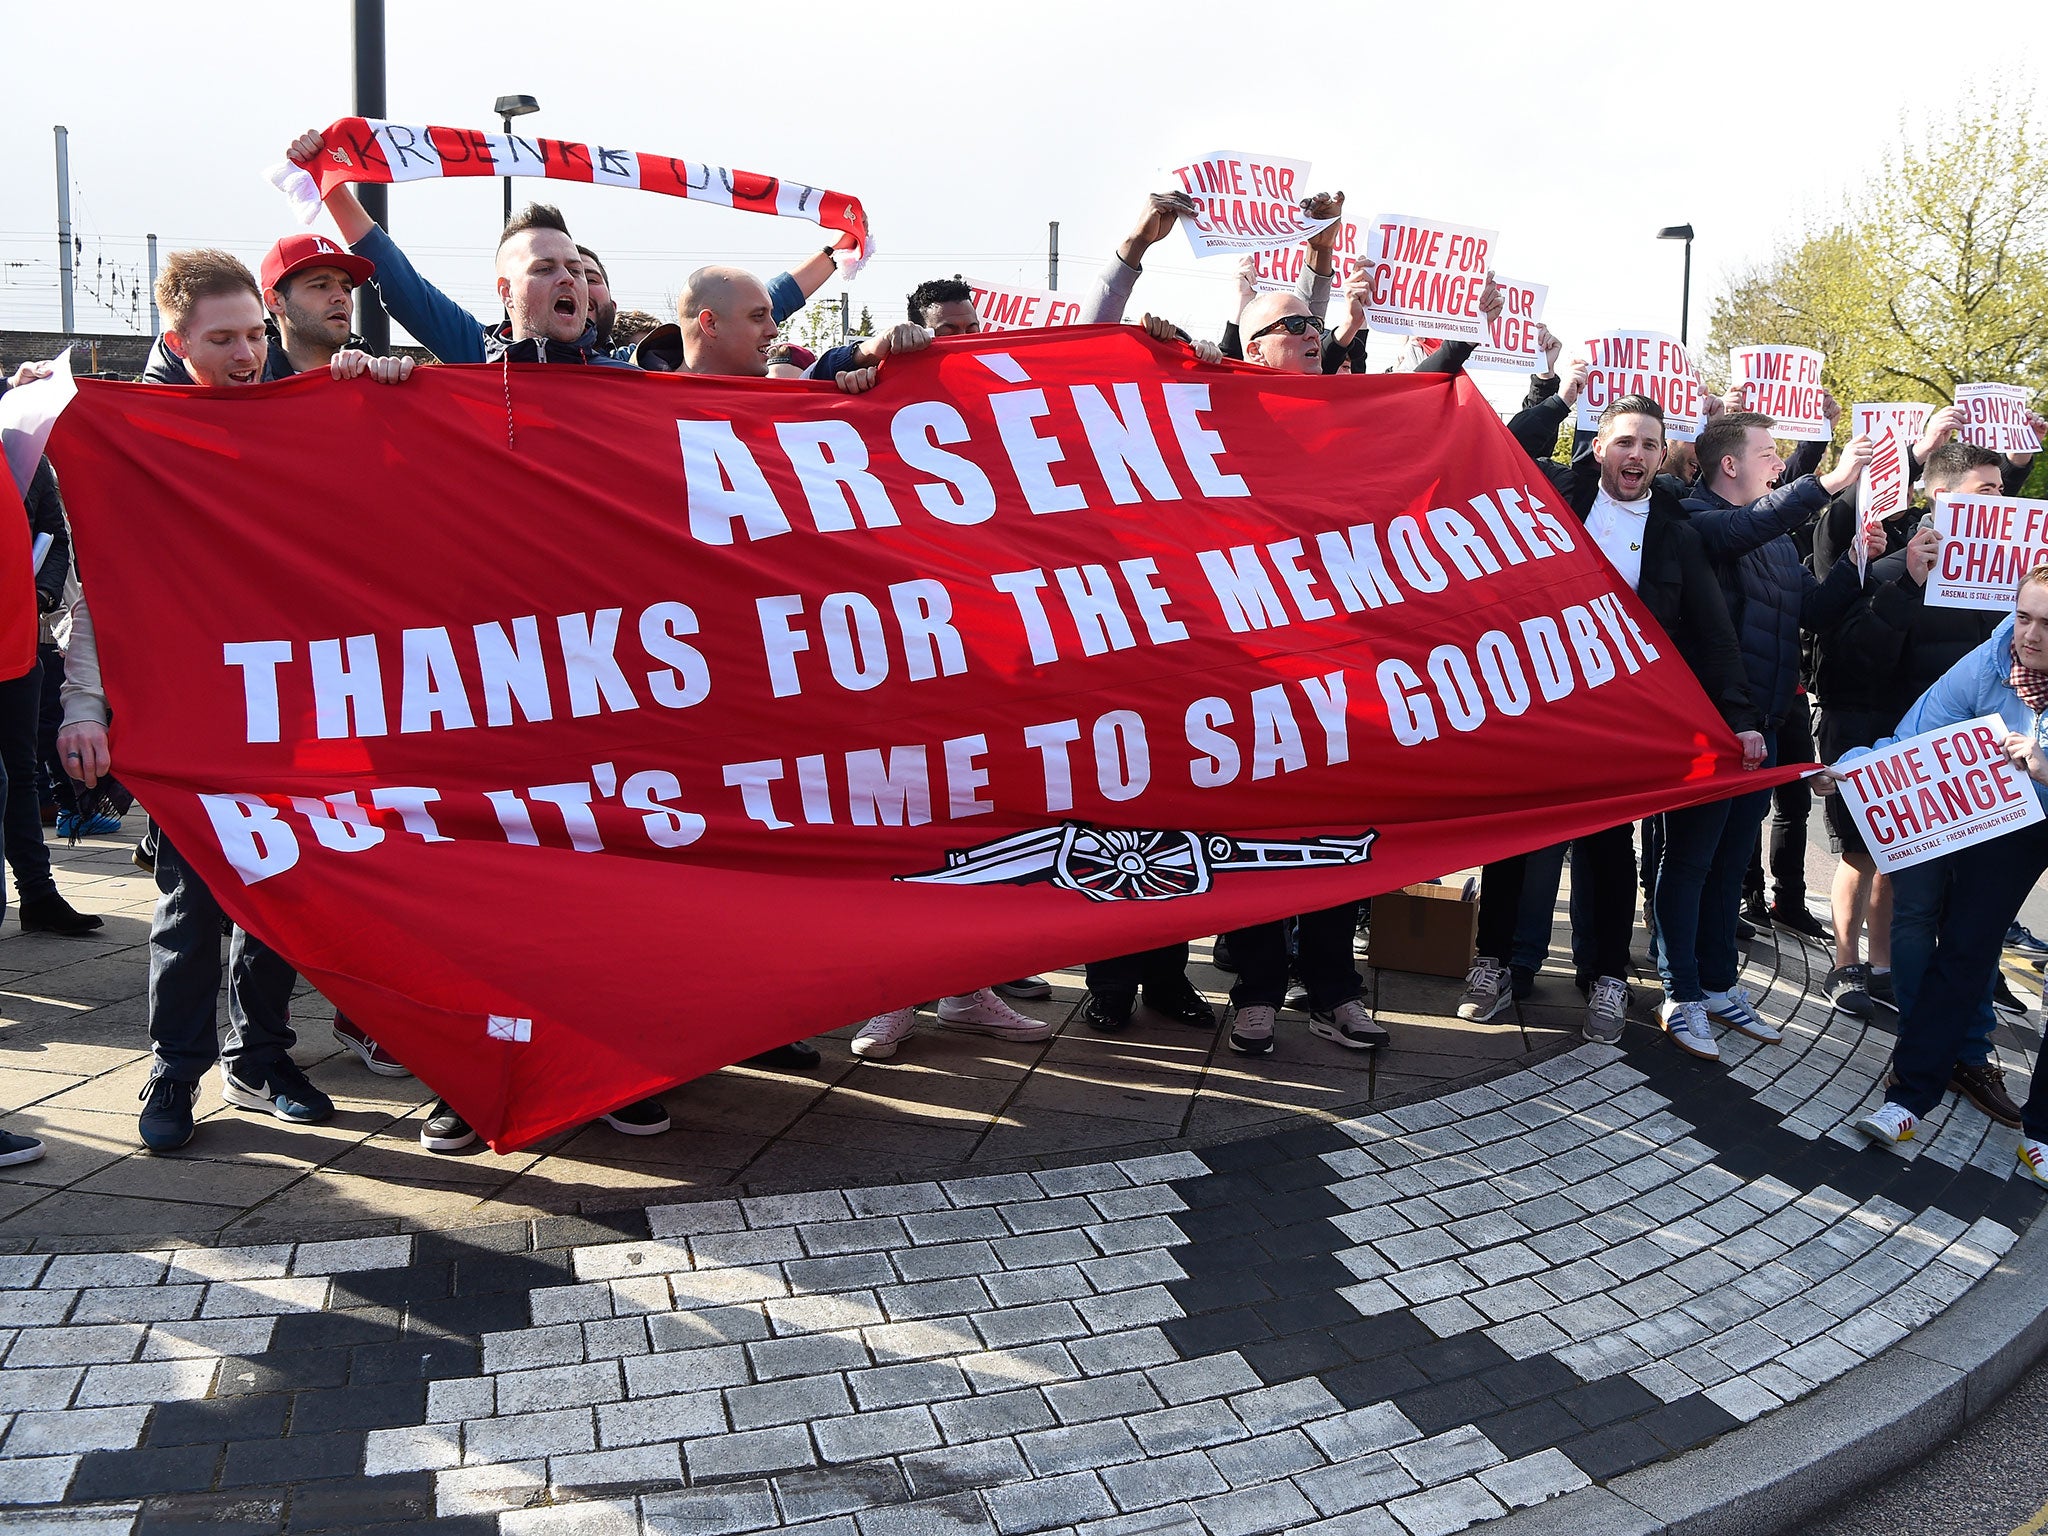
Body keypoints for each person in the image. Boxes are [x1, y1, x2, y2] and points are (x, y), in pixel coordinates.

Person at [56, 249, 413, 1154]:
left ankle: (260, 1057)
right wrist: (82, 706)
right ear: (177, 342)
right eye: (223, 339)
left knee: (283, 889)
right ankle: (175, 1067)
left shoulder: (305, 414)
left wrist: (386, 385)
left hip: (296, 704)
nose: (248, 353)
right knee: (191, 899)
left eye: (255, 333)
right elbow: (104, 587)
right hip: (191, 713)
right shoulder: (139, 441)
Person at [1221, 273, 1503, 1056]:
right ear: (1251, 349)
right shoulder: (1219, 408)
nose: (1313, 332)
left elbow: (1416, 391)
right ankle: (1257, 993)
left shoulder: (1346, 407)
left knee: (1343, 842)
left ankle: (1334, 992)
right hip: (1259, 668)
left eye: (1317, 323)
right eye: (1294, 325)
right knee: (1262, 846)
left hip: (1347, 670)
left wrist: (1465, 335)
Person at [1478, 394, 1766, 1051]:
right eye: (1623, 442)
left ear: (1665, 456)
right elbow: (1505, 446)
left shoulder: (1677, 531)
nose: (1634, 454)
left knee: (1609, 850)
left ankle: (1607, 977)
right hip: (1540, 701)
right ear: (1599, 447)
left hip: (1617, 719)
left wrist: (1740, 717)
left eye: (1648, 444)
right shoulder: (1555, 492)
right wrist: (1558, 394)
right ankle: (1492, 961)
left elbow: (1713, 634)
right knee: (1515, 835)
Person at [1823, 440, 2028, 1124]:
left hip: (2002, 790)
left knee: (1974, 930)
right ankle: (1920, 1049)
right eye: (1985, 491)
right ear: (1942, 500)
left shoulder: (2015, 584)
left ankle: (1965, 1054)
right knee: (1914, 916)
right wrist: (1905, 585)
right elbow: (1850, 671)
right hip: (1923, 781)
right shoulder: (1890, 567)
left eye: (2005, 491)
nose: (1999, 503)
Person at [1674, 409, 1875, 1043]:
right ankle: (1681, 993)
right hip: (1710, 727)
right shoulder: (1692, 517)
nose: (1780, 463)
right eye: (1769, 453)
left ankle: (1717, 984)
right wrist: (1830, 482)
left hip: (1761, 725)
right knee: (1691, 862)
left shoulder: (1775, 537)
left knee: (1733, 860)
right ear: (1729, 465)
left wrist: (1855, 564)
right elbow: (1737, 531)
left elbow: (1806, 611)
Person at [1846, 566, 2048, 1181]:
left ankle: (2042, 1136)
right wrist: (1855, 770)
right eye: (2025, 616)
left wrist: (2043, 763)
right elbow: (1916, 739)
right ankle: (1908, 1101)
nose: (2031, 634)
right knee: (1963, 947)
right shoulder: (1988, 662)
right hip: (2015, 820)